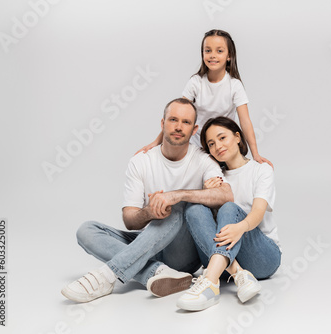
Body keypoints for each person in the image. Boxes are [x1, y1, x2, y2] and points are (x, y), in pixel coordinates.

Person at [61, 98, 233, 303]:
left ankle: (107, 276)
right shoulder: (141, 161)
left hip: (183, 253)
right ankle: (157, 272)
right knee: (86, 230)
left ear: (194, 129)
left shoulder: (204, 160)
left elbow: (225, 195)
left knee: (175, 206)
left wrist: (176, 195)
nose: (178, 127)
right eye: (173, 120)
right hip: (150, 242)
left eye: (186, 122)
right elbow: (130, 220)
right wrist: (149, 212)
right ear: (162, 124)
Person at [176, 116, 281, 311]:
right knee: (195, 207)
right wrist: (208, 194)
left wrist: (239, 228)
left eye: (222, 138)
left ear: (238, 137)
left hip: (262, 257)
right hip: (223, 263)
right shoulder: (216, 177)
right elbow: (204, 223)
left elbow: (258, 212)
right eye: (211, 143)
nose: (218, 146)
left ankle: (209, 281)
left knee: (230, 208)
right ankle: (232, 277)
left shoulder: (261, 170)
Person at [135, 29, 272, 168]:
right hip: (198, 146)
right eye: (208, 51)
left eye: (219, 51)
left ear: (229, 55)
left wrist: (255, 154)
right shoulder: (196, 82)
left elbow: (245, 121)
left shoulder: (234, 85)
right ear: (202, 54)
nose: (212, 55)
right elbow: (179, 114)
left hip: (222, 146)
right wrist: (156, 142)